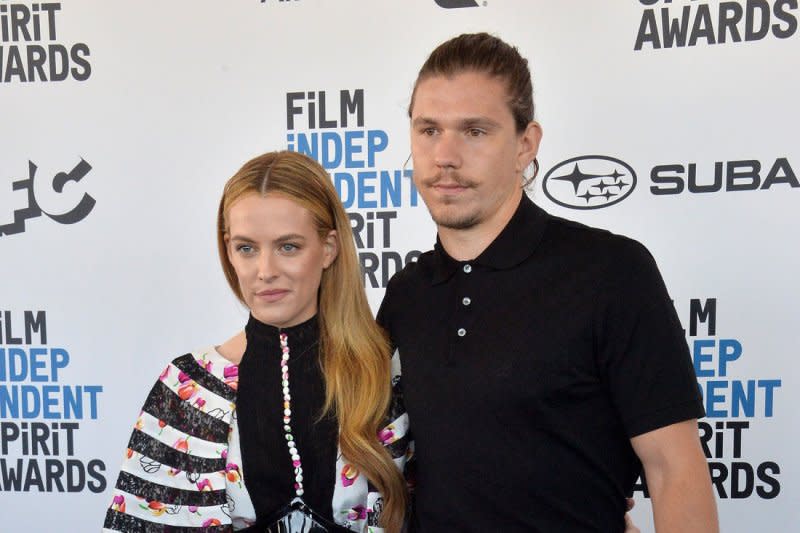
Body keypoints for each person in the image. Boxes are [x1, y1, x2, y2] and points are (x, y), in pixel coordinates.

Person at [377, 33, 719, 532]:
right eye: (428, 129)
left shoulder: (611, 272)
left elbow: (675, 472)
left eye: (474, 131)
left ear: (525, 145)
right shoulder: (405, 296)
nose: (445, 155)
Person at [103, 151, 408, 532]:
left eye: (288, 247)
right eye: (246, 248)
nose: (265, 271)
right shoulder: (187, 388)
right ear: (228, 250)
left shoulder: (381, 372)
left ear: (328, 248)